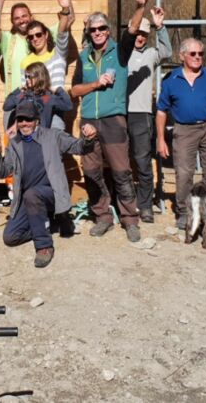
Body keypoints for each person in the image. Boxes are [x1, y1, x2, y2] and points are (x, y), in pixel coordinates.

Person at [0, 101, 97, 268]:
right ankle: (47, 224)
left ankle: (44, 246)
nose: (24, 123)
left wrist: (88, 138)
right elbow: (3, 172)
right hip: (28, 200)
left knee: (32, 194)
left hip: (51, 195)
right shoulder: (15, 143)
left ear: (37, 120)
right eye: (20, 119)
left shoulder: (53, 136)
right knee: (11, 237)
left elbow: (79, 147)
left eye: (28, 119)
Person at [70, 12, 140, 242]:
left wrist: (140, 5)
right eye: (93, 29)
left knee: (121, 172)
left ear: (108, 31)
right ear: (88, 33)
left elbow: (132, 29)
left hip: (114, 120)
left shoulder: (119, 52)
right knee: (91, 171)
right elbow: (75, 90)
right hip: (89, 120)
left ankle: (130, 219)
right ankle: (103, 216)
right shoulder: (84, 56)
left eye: (101, 28)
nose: (97, 32)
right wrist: (95, 84)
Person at [156, 38, 206, 230]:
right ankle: (184, 212)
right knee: (184, 173)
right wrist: (161, 139)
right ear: (182, 56)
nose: (198, 57)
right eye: (193, 54)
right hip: (184, 129)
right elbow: (161, 111)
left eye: (201, 54)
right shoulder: (171, 80)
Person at [120, 0, 172, 223]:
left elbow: (167, 51)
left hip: (142, 114)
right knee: (121, 161)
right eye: (138, 33)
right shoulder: (122, 53)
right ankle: (124, 203)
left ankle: (145, 205)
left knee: (142, 161)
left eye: (144, 34)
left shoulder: (151, 54)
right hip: (121, 112)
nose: (140, 37)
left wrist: (160, 27)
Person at [0, 0, 69, 94]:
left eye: (24, 16)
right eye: (17, 18)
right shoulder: (8, 39)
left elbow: (68, 21)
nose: (21, 20)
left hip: (46, 100)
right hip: (15, 100)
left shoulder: (44, 31)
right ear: (12, 21)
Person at [19, 0, 75, 101]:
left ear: (46, 35)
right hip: (35, 108)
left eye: (38, 34)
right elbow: (25, 89)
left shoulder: (58, 54)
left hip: (56, 106)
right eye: (31, 37)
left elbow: (62, 32)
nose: (35, 38)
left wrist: (65, 7)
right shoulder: (25, 62)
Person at [4, 63, 72, 129]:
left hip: (41, 135)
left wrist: (58, 90)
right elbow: (6, 106)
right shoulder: (23, 95)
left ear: (39, 77)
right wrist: (18, 90)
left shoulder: (48, 97)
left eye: (29, 77)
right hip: (23, 134)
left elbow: (68, 105)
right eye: (26, 77)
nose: (27, 79)